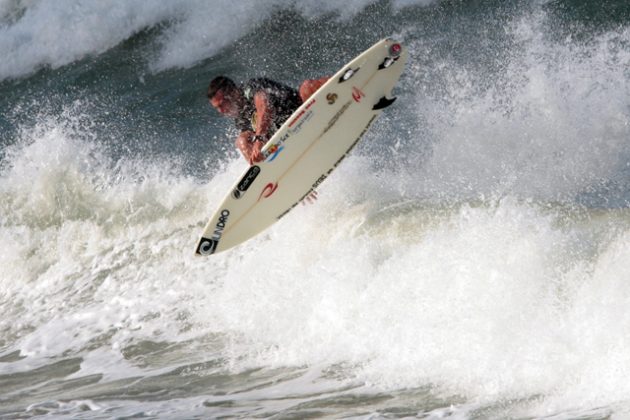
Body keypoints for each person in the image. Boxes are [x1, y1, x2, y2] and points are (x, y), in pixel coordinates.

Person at [208, 76, 328, 164]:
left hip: (305, 115)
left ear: (234, 92)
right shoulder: (240, 119)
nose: (222, 111)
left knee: (307, 87)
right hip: (292, 138)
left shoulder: (251, 87)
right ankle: (269, 174)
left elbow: (265, 105)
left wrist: (260, 138)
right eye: (217, 108)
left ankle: (345, 84)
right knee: (242, 140)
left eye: (222, 104)